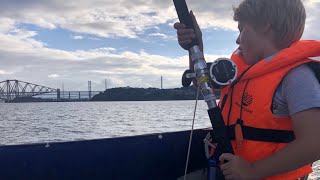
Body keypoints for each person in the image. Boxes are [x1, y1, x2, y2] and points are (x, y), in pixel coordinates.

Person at [174, 0, 320, 179]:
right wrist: (196, 46)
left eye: (242, 29)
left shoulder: (297, 77)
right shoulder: (241, 70)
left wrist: (253, 170)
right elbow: (202, 84)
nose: (237, 39)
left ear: (266, 26)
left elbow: (314, 143)